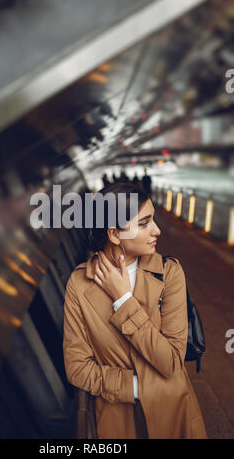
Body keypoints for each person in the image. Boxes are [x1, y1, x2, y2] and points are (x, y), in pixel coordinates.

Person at [63, 182, 207, 439]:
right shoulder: (79, 284)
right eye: (144, 223)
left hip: (174, 414)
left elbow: (172, 363)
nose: (157, 230)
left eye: (153, 220)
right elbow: (77, 368)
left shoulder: (169, 273)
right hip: (117, 421)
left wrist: (123, 299)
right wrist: (136, 387)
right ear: (115, 234)